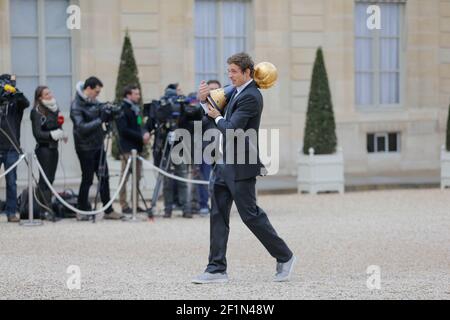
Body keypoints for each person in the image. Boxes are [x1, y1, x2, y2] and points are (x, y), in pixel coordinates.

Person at [192, 53, 296, 284]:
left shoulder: (251, 97)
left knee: (250, 215)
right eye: (228, 71)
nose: (230, 76)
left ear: (248, 72)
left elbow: (230, 128)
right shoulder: (235, 92)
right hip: (223, 163)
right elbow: (210, 119)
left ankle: (285, 256)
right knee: (218, 214)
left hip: (241, 165)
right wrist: (202, 102)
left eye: (234, 72)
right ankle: (216, 269)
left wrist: (217, 115)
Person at [70, 76, 122, 221]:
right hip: (84, 147)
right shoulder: (76, 105)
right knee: (87, 179)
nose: (98, 95)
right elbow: (81, 128)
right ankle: (82, 210)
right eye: (97, 92)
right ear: (88, 89)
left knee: (104, 177)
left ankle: (108, 210)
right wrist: (100, 120)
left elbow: (100, 115)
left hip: (98, 145)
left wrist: (109, 113)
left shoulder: (94, 102)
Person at [30, 86, 68, 220]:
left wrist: (62, 133)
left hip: (53, 149)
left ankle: (46, 208)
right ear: (40, 97)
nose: (50, 95)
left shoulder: (54, 108)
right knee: (44, 180)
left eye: (49, 92)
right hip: (44, 149)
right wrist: (53, 134)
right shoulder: (36, 112)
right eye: (46, 94)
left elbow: (58, 125)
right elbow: (38, 134)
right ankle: (45, 210)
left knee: (50, 179)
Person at [116, 85, 150, 214]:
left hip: (137, 148)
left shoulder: (136, 109)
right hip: (127, 148)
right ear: (128, 95)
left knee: (137, 178)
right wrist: (141, 136)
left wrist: (145, 132)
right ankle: (124, 205)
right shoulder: (122, 109)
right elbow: (123, 130)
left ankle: (135, 204)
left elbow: (140, 124)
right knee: (124, 178)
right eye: (136, 94)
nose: (138, 96)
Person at [0, 74, 30, 223]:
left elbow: (26, 103)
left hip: (11, 147)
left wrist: (15, 92)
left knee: (11, 182)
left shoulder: (16, 103)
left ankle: (11, 213)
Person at [196, 80, 221, 216]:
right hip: (204, 148)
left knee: (220, 180)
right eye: (210, 89)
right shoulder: (199, 106)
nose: (212, 92)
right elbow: (196, 123)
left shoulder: (225, 106)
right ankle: (203, 205)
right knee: (203, 178)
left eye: (216, 89)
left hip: (221, 149)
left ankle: (218, 206)